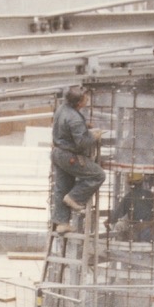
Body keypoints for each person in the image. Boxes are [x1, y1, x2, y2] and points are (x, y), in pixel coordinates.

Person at [51, 85, 106, 234]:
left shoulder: (63, 109)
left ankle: (62, 222)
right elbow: (82, 142)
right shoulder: (74, 118)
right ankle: (75, 198)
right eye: (85, 98)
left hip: (58, 153)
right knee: (97, 175)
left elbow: (67, 126)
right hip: (70, 156)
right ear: (79, 102)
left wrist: (83, 126)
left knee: (62, 187)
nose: (87, 100)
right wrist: (93, 136)